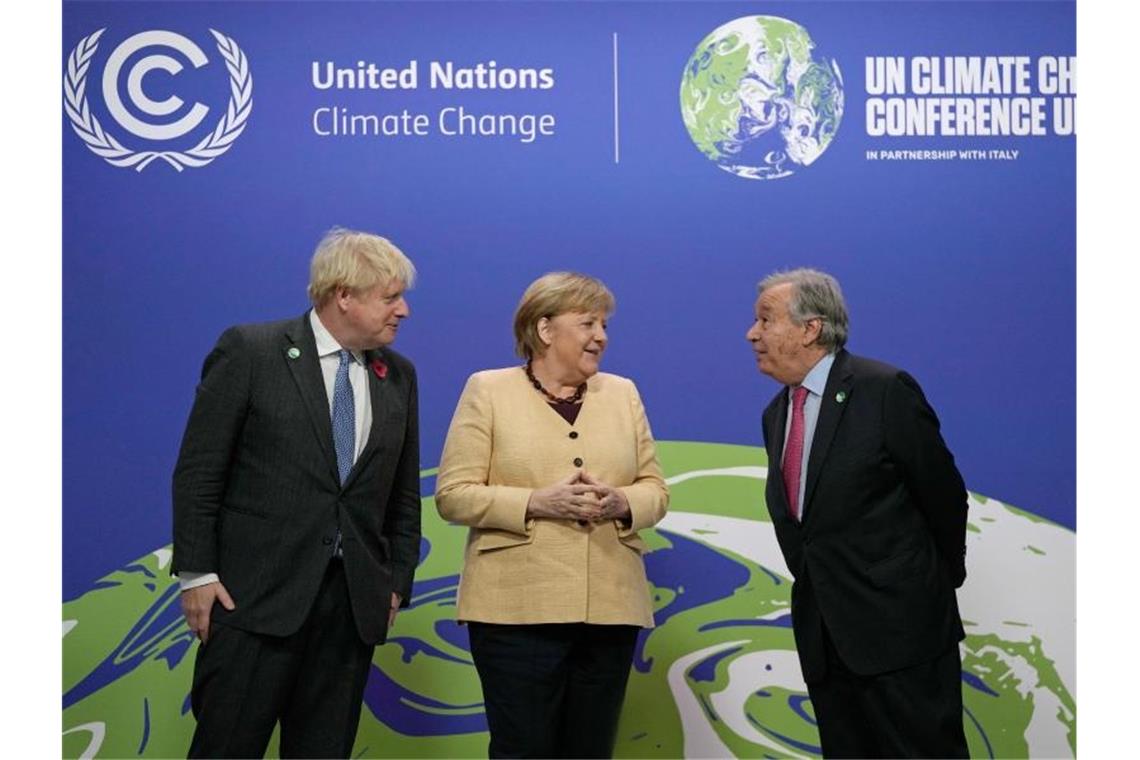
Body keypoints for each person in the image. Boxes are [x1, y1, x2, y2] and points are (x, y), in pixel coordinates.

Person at [171, 228, 422, 758]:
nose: (403, 311)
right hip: (252, 602)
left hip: (350, 609)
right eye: (391, 297)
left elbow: (400, 493)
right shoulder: (252, 351)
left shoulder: (398, 375)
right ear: (344, 296)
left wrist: (396, 579)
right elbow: (199, 471)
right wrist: (197, 573)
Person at [435, 272, 668, 759]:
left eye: (604, 324)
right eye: (587, 322)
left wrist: (622, 502)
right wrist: (536, 502)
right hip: (515, 613)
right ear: (544, 330)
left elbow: (655, 490)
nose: (600, 335)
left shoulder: (623, 393)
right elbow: (453, 495)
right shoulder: (488, 390)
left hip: (609, 610)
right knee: (524, 749)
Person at [746, 268, 969, 758]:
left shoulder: (884, 389)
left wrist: (930, 585)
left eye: (765, 320)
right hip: (826, 638)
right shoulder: (776, 414)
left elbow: (944, 494)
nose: (752, 333)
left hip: (902, 630)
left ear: (811, 328)